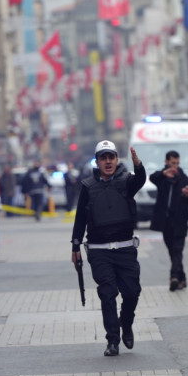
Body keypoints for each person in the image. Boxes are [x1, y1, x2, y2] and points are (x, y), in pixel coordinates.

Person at [71, 140, 146, 357]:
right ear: (97, 161)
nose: (108, 161)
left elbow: (140, 179)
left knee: (132, 292)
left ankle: (126, 322)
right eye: (103, 158)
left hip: (125, 248)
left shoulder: (127, 181)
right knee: (107, 294)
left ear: (116, 159)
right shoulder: (87, 186)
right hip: (99, 250)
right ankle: (112, 340)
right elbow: (80, 218)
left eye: (111, 157)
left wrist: (138, 165)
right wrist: (75, 245)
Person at [149, 150, 188, 292]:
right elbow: (152, 177)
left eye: (177, 163)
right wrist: (164, 174)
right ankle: (182, 278)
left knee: (177, 250)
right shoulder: (161, 177)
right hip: (166, 222)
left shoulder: (184, 179)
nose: (175, 166)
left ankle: (174, 277)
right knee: (172, 251)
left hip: (180, 221)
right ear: (166, 162)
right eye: (172, 163)